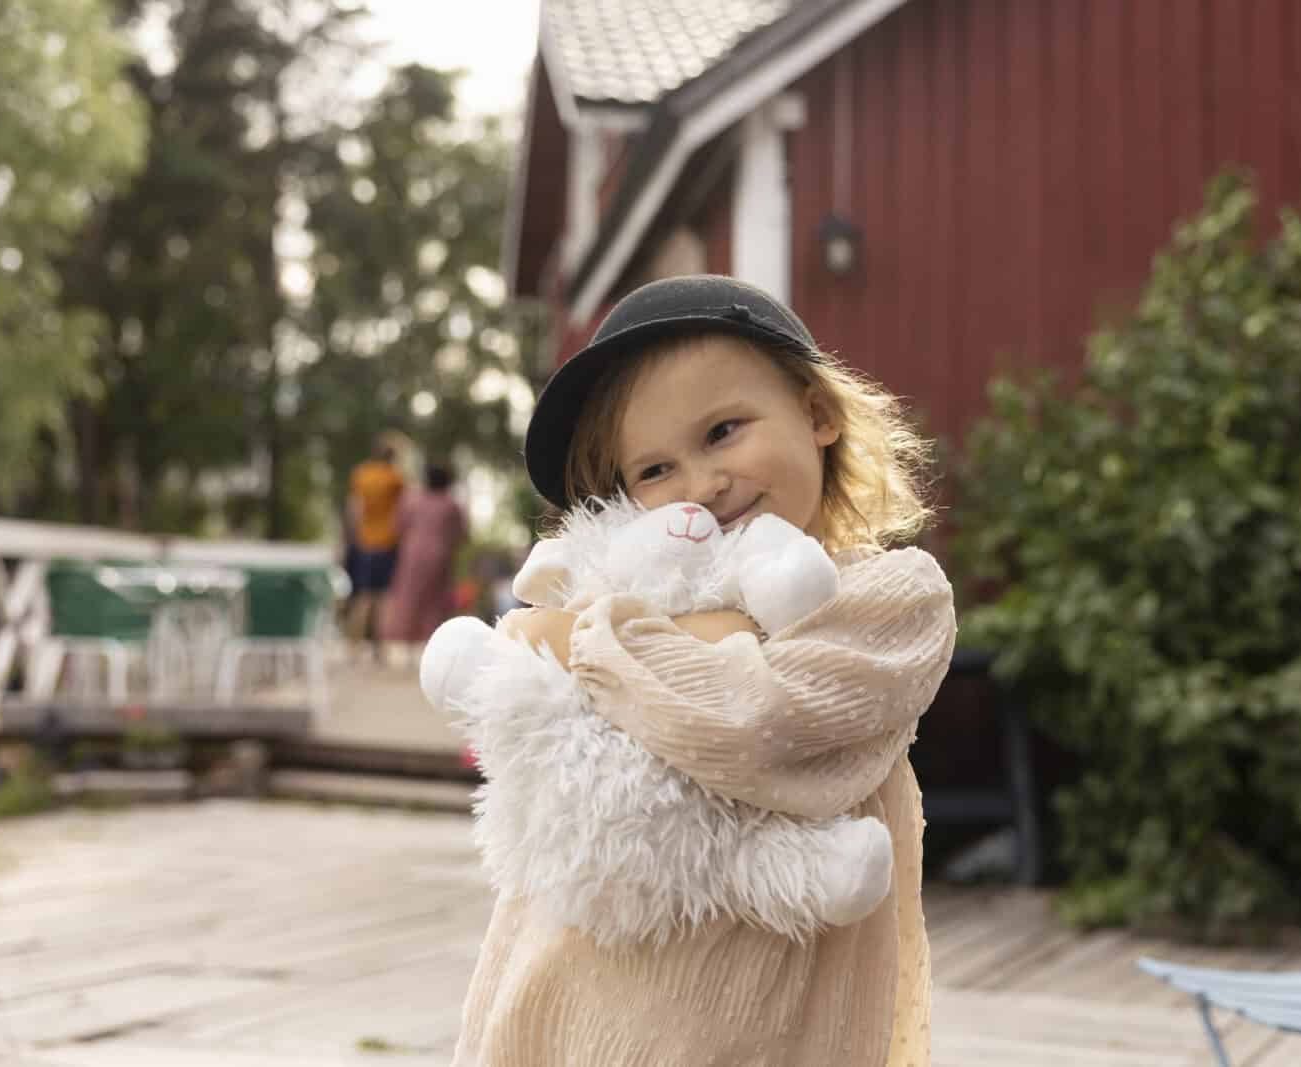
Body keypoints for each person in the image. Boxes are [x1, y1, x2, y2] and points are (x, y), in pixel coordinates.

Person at [449, 274, 956, 1067]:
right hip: (560, 1012)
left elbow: (755, 721)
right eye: (654, 471)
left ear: (816, 412)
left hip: (754, 1035)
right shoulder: (619, 592)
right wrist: (654, 629)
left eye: (722, 430)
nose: (701, 484)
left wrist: (581, 638)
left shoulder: (888, 596)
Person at [380, 463, 469, 646]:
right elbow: (462, 534)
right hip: (440, 554)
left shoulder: (411, 500)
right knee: (435, 601)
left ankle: (402, 641)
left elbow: (397, 526)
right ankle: (431, 642)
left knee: (408, 597)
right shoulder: (451, 505)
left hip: (412, 553)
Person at [344, 436, 406, 658]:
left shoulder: (361, 474)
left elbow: (353, 508)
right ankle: (378, 649)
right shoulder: (395, 479)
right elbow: (402, 512)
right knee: (382, 598)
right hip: (388, 542)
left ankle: (352, 646)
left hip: (364, 541)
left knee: (362, 596)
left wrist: (351, 537)